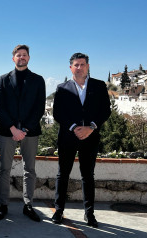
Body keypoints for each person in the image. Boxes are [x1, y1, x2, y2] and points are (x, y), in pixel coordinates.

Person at [51, 53, 111, 228]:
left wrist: (91, 127)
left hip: (90, 137)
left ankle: (89, 214)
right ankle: (58, 211)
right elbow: (58, 113)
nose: (79, 67)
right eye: (76, 65)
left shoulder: (99, 86)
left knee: (88, 176)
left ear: (88, 66)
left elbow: (105, 111)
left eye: (82, 64)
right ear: (71, 68)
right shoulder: (62, 88)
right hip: (68, 137)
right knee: (63, 175)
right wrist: (73, 128)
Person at [0, 45, 46, 222]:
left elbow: (39, 108)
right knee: (4, 169)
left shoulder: (38, 80)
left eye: (24, 55)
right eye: (18, 55)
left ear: (29, 58)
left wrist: (24, 130)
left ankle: (28, 205)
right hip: (7, 131)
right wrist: (12, 128)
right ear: (13, 58)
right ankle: (3, 205)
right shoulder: (3, 79)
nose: (21, 57)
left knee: (29, 169)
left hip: (29, 132)